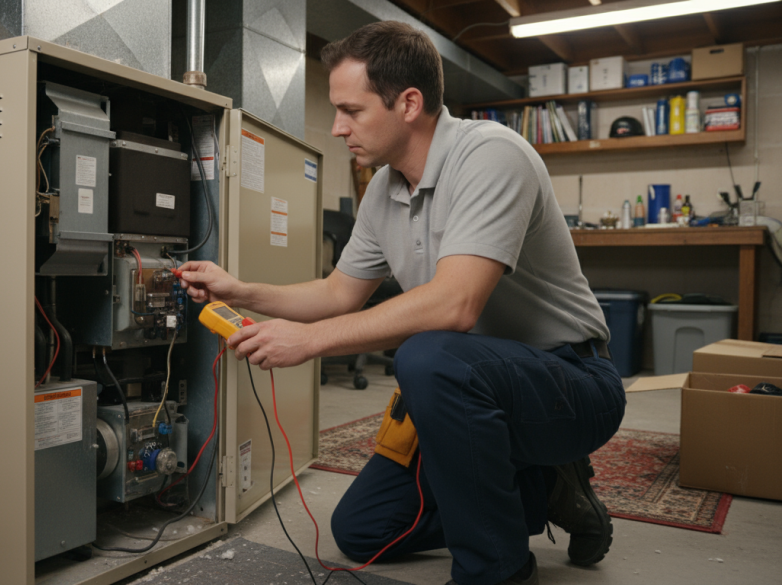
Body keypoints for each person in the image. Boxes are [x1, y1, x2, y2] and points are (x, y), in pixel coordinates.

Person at [177, 20, 625, 585]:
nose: (337, 128)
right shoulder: (385, 190)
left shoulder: (490, 155)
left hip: (571, 384)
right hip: (473, 388)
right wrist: (240, 290)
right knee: (364, 529)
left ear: (409, 103)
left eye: (352, 110)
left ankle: (498, 570)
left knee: (427, 355)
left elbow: (456, 304)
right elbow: (336, 292)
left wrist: (310, 342)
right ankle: (543, 488)